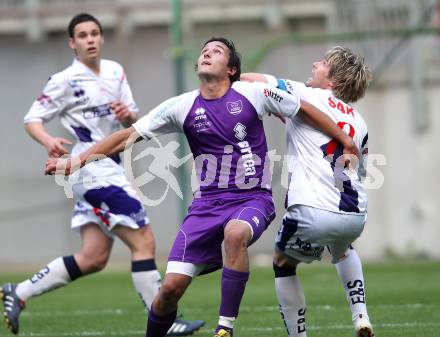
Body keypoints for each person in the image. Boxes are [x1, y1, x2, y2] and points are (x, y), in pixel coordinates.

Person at [45, 37, 358, 337]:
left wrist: (345, 140)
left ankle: (225, 327)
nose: (207, 54)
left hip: (252, 199)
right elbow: (126, 137)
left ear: (231, 69)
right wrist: (76, 161)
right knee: (168, 292)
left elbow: (303, 108)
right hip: (205, 207)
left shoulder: (252, 93)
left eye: (217, 51)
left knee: (235, 234)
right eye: (205, 51)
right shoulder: (181, 106)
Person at [0, 13, 204, 336]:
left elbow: (132, 124)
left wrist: (128, 115)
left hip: (110, 166)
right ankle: (164, 322)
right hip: (89, 170)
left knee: (93, 257)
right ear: (72, 43)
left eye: (95, 33)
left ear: (102, 38)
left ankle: (18, 292)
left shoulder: (115, 72)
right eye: (82, 35)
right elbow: (32, 119)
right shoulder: (64, 80)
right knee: (144, 241)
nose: (90, 39)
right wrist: (48, 139)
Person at [241, 46, 374, 337]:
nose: (315, 63)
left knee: (282, 263)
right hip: (354, 215)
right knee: (343, 249)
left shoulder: (305, 93)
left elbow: (251, 80)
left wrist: (233, 77)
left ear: (333, 81)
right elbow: (357, 169)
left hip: (312, 210)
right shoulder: (359, 121)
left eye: (323, 63)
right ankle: (361, 316)